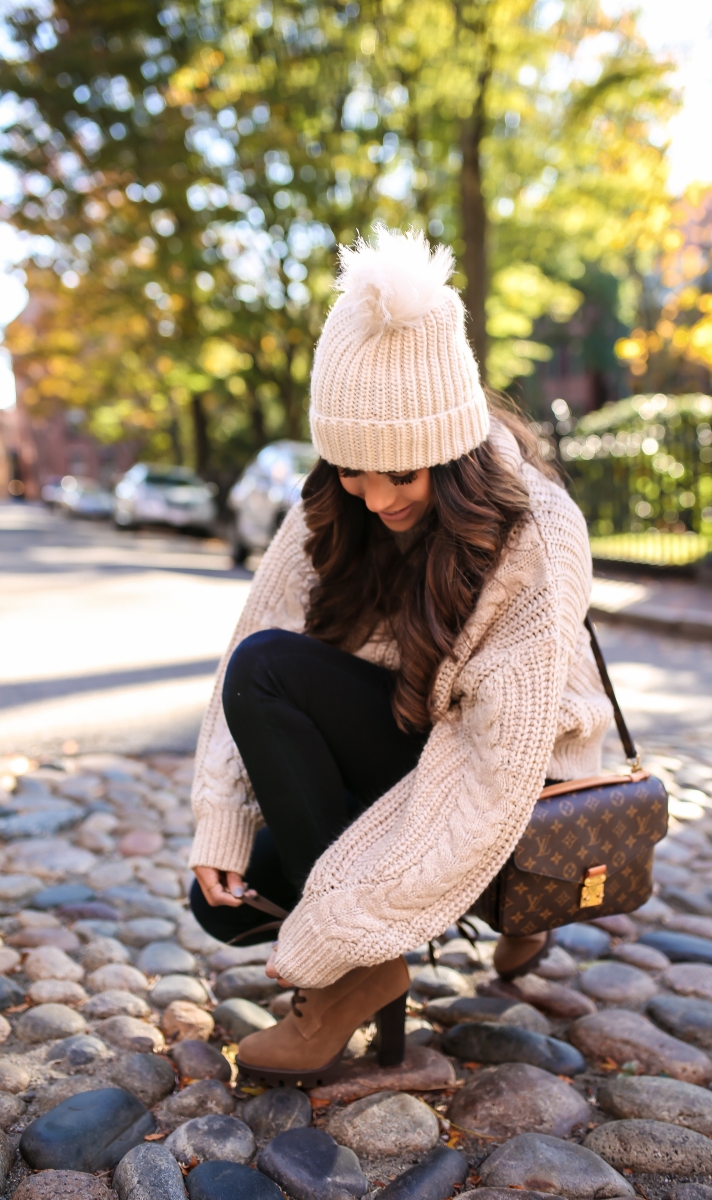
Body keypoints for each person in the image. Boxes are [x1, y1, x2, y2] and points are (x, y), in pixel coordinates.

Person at [188, 227, 612, 1087]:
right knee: (220, 902)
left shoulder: (541, 530)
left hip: (510, 769)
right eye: (351, 469)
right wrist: (224, 812)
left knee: (279, 689)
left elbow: (490, 768)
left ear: (453, 453)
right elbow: (254, 643)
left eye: (401, 477)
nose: (375, 497)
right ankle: (383, 955)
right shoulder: (337, 509)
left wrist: (341, 924)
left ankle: (372, 975)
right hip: (407, 734)